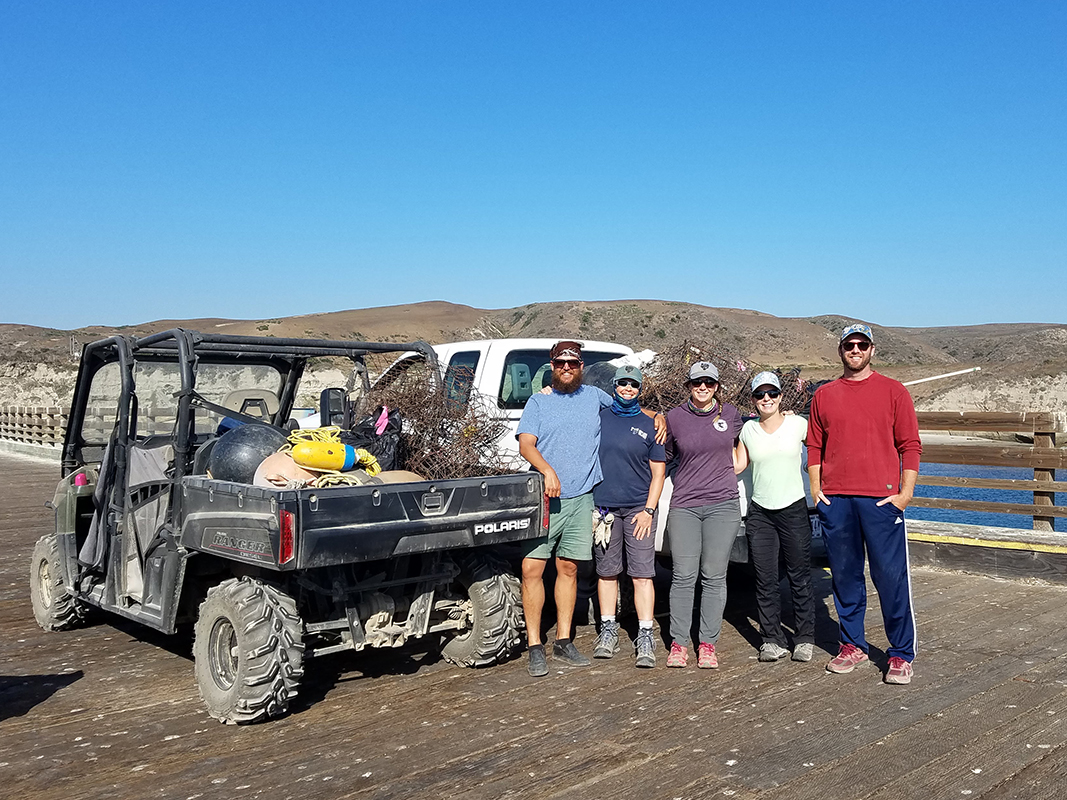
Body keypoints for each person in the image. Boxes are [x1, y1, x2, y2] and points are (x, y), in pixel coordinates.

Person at [517, 341, 664, 677]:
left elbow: (629, 407)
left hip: (583, 498)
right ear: (551, 366)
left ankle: (564, 640)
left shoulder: (594, 397)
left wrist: (660, 417)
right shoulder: (538, 401)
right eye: (560, 363)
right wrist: (547, 470)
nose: (566, 368)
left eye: (572, 363)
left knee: (569, 569)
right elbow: (526, 444)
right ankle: (535, 645)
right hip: (545, 497)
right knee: (532, 570)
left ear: (581, 367)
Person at [806, 323, 922, 685]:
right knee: (844, 576)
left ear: (872, 350)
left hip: (881, 500)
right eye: (849, 345)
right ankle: (851, 644)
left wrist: (905, 495)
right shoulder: (824, 394)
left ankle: (901, 653)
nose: (855, 350)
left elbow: (910, 446)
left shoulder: (893, 391)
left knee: (889, 577)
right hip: (836, 499)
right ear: (840, 350)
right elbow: (814, 446)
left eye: (862, 344)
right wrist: (816, 489)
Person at [663, 361, 744, 669]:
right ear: (689, 385)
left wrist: (740, 465)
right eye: (698, 382)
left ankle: (708, 643)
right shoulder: (674, 418)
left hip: (723, 505)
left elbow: (749, 436)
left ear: (717, 387)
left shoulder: (731, 414)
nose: (703, 388)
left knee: (713, 575)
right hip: (685, 505)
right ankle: (679, 642)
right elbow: (664, 455)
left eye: (709, 383)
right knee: (683, 575)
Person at [734, 371, 815, 663]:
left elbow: (821, 448)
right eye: (759, 394)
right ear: (753, 400)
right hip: (761, 514)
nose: (766, 399)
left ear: (781, 397)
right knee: (765, 579)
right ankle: (771, 640)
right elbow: (738, 464)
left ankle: (804, 637)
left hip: (793, 509)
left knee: (800, 576)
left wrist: (819, 479)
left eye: (771, 394)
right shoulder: (747, 431)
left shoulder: (798, 424)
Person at [591, 365, 666, 668]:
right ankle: (608, 629)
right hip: (604, 509)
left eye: (633, 384)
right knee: (607, 572)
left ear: (640, 389)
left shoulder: (651, 425)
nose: (627, 389)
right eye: (622, 383)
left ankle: (645, 635)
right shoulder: (598, 419)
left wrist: (649, 510)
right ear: (614, 386)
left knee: (641, 574)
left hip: (639, 509)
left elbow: (658, 473)